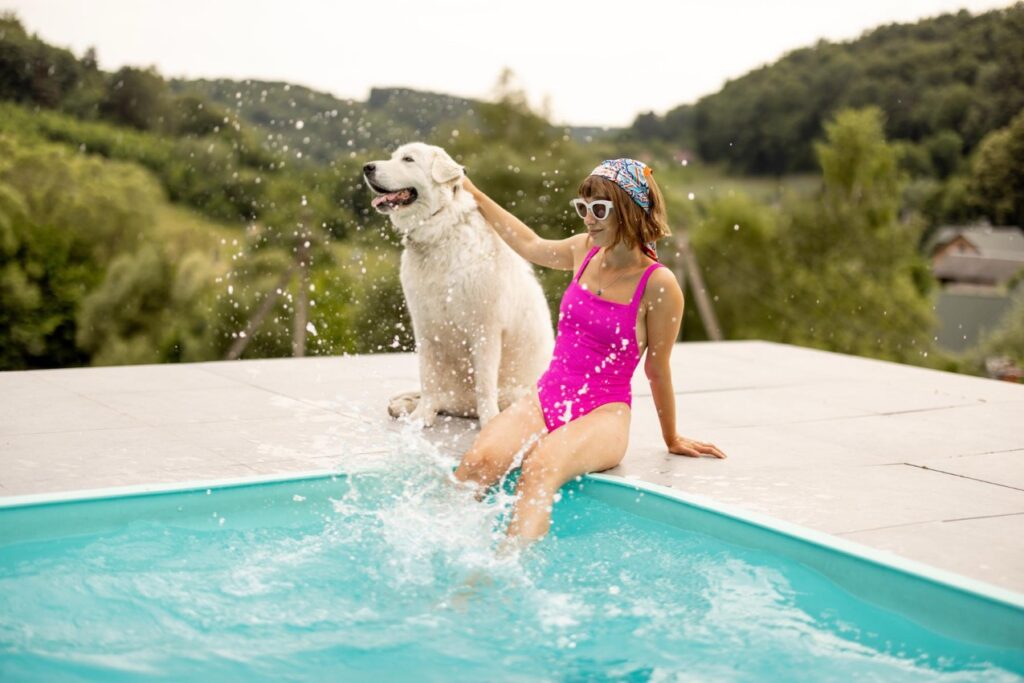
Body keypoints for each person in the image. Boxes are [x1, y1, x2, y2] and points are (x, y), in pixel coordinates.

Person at [453, 159, 726, 550]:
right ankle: (450, 555)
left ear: (630, 211)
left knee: (540, 467)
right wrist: (475, 193)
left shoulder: (659, 285)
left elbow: (657, 369)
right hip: (547, 396)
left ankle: (502, 576)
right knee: (477, 463)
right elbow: (530, 244)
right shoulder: (583, 251)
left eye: (600, 210)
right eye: (583, 208)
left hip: (605, 412)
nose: (589, 220)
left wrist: (672, 437)